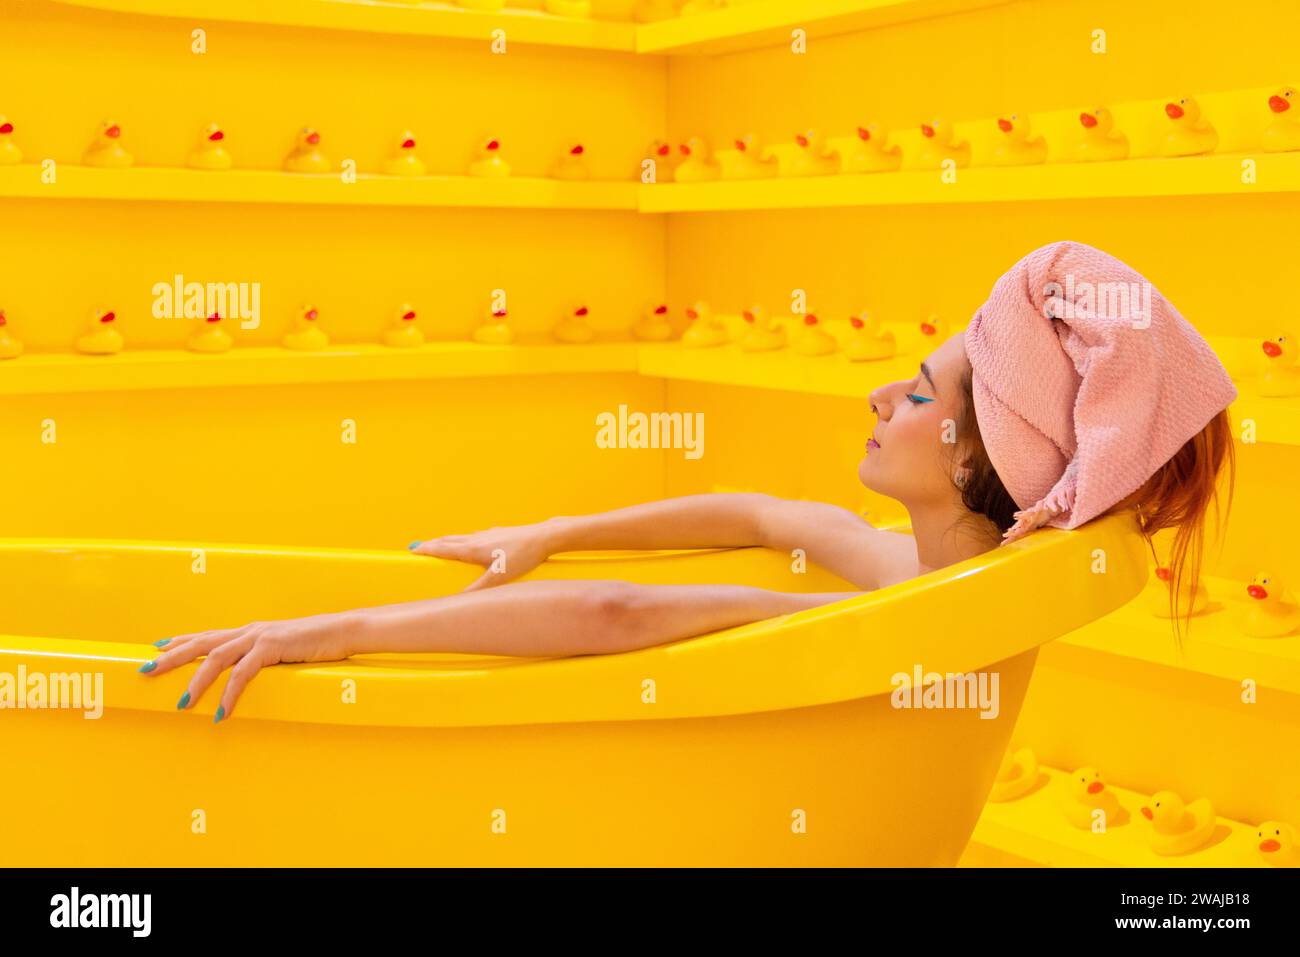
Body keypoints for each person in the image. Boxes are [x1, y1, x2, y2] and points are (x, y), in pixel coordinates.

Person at [142, 241, 1237, 722]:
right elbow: (766, 515)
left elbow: (626, 616)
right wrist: (555, 528)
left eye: (913, 392)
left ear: (970, 456)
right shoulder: (939, 567)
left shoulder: (919, 616)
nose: (874, 396)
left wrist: (325, 635)